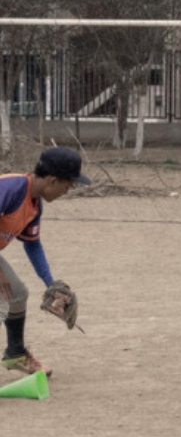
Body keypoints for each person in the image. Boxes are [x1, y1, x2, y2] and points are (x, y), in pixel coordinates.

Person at [0, 147, 91, 379]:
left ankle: (16, 353)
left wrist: (51, 284)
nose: (66, 191)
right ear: (52, 180)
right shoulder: (10, 189)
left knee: (16, 293)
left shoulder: (33, 205)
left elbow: (32, 245)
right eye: (67, 185)